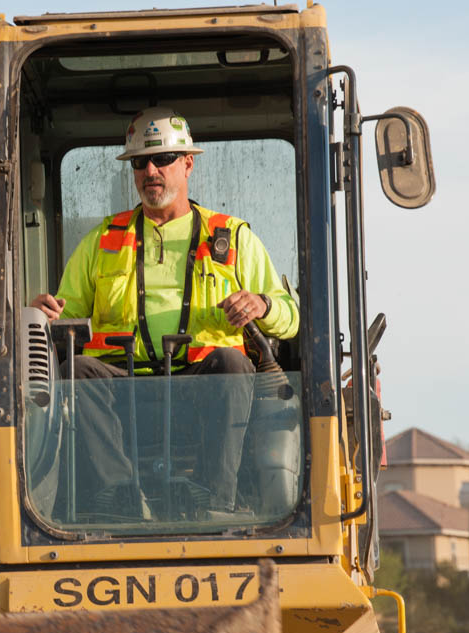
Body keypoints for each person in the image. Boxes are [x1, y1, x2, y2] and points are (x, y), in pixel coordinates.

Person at [31, 106, 299, 516]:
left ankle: (215, 500)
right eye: (140, 162)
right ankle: (120, 498)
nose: (151, 170)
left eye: (163, 159)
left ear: (188, 163)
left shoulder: (232, 237)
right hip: (122, 388)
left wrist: (262, 304)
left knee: (231, 361)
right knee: (78, 370)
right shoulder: (102, 240)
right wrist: (45, 315)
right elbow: (67, 315)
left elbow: (290, 315)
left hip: (201, 389)